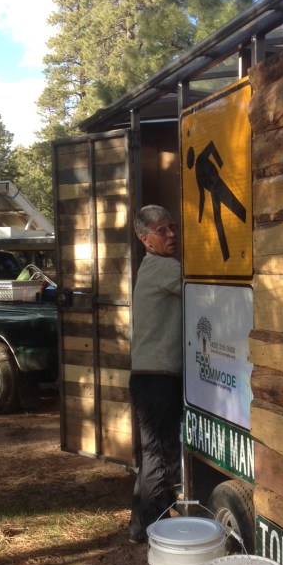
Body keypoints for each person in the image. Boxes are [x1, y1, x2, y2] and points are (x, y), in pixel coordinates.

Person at [128, 205, 182, 544]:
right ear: (146, 239)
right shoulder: (165, 268)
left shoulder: (152, 267)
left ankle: (141, 528)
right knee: (160, 457)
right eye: (162, 230)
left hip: (149, 377)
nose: (172, 234)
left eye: (172, 227)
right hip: (158, 378)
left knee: (153, 455)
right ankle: (158, 534)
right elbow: (206, 286)